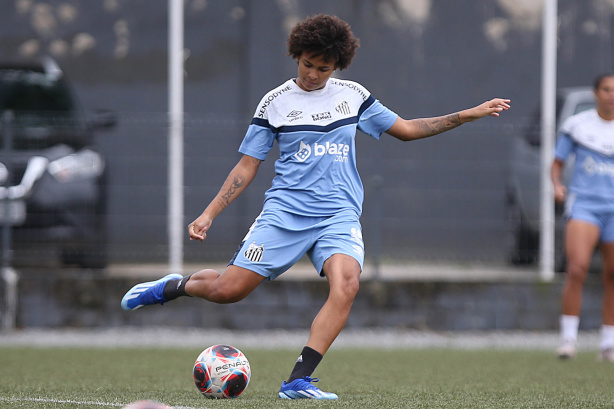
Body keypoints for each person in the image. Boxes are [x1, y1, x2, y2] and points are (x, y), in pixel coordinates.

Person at [121, 14, 510, 399]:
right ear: (297, 56)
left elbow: (407, 129)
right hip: (285, 214)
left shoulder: (353, 96)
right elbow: (247, 165)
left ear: (336, 66)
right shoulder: (274, 103)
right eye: (308, 65)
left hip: (338, 216)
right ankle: (172, 286)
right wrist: (208, 214)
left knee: (347, 284)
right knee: (228, 290)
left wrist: (469, 113)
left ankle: (297, 381)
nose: (313, 74)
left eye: (323, 69)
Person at [553, 73, 614, 362]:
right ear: (596, 93)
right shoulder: (578, 125)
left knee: (612, 275)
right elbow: (557, 163)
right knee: (577, 268)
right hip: (585, 205)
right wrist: (557, 186)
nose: (612, 95)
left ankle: (608, 343)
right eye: (607, 89)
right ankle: (568, 340)